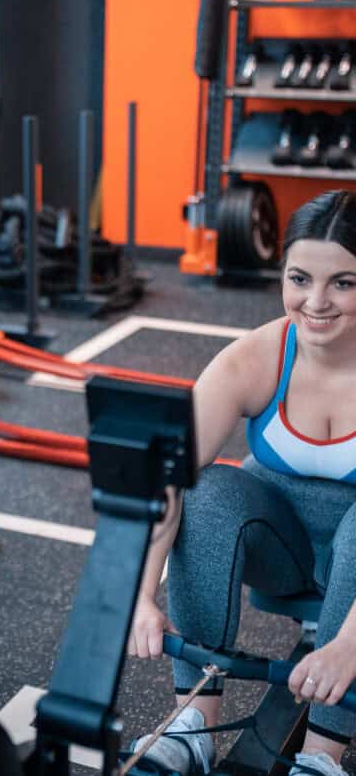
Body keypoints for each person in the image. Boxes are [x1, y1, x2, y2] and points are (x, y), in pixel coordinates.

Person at [128, 189, 356, 776]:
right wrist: (139, 594)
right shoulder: (254, 359)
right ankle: (193, 726)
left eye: (344, 284)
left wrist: (348, 645)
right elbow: (169, 481)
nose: (316, 302)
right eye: (300, 278)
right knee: (204, 490)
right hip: (284, 549)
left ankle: (323, 757)